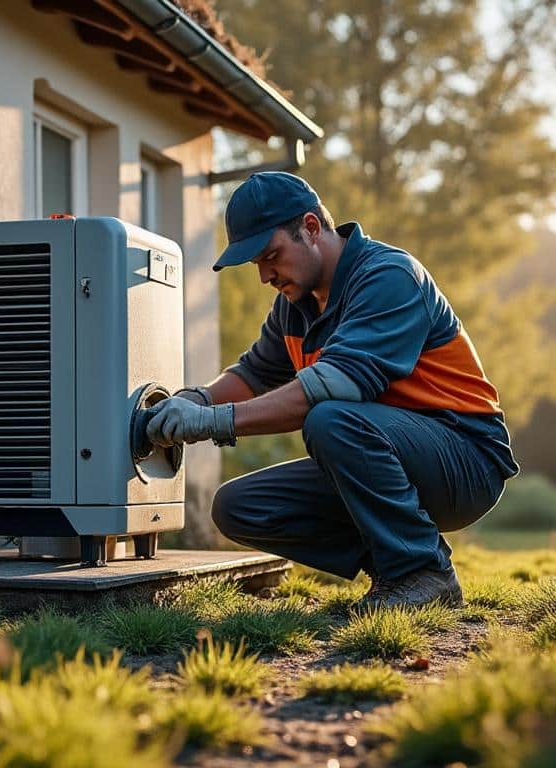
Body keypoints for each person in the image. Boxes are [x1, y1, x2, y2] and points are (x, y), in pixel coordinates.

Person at [144, 171, 520, 610]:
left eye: (271, 256)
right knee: (238, 506)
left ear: (310, 227)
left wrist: (211, 422)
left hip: (464, 458)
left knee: (330, 416)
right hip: (383, 452)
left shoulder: (389, 276)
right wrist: (197, 399)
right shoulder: (294, 306)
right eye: (256, 264)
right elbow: (252, 374)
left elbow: (328, 390)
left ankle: (422, 572)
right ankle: (395, 570)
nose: (265, 275)